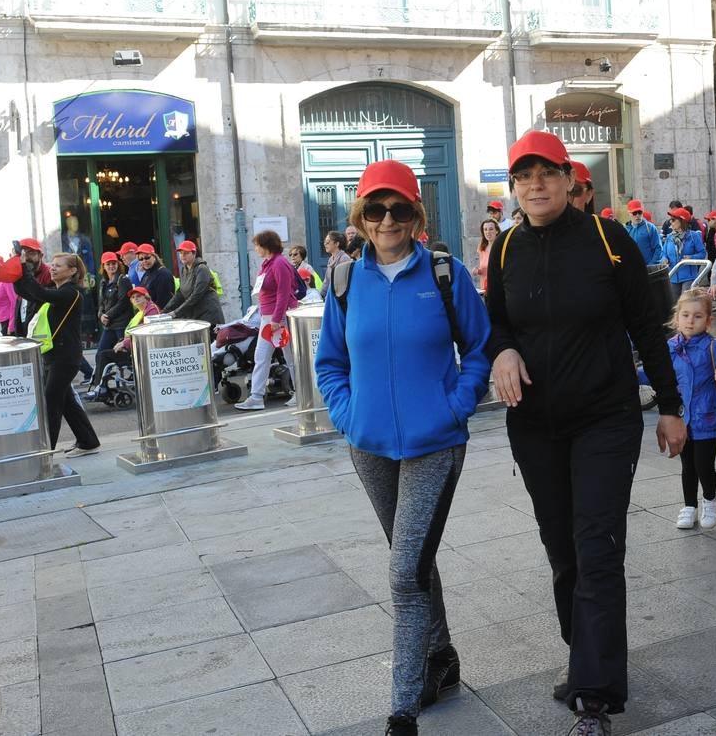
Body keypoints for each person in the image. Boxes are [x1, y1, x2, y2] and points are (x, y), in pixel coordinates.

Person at [486, 129, 684, 735]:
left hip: (605, 417)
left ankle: (594, 696)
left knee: (597, 547)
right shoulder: (505, 249)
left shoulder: (609, 238)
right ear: (514, 187)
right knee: (563, 550)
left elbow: (647, 327)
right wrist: (501, 353)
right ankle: (585, 658)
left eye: (547, 172)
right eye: (524, 176)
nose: (536, 184)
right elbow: (494, 324)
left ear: (570, 179)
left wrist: (672, 405)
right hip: (536, 427)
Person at [315, 160, 491, 736]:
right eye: (374, 209)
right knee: (413, 560)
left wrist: (454, 406)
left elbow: (481, 348)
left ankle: (402, 709)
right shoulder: (343, 280)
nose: (386, 219)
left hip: (433, 446)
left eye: (398, 209)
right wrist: (348, 415)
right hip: (368, 447)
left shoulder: (445, 273)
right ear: (360, 219)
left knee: (402, 574)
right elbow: (331, 363)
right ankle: (442, 659)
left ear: (416, 215)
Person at [13, 253, 101, 457]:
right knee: (66, 401)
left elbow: (39, 293)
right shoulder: (59, 291)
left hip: (65, 357)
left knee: (51, 401)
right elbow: (31, 294)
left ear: (72, 271)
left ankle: (45, 451)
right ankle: (88, 441)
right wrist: (16, 276)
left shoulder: (71, 293)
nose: (52, 268)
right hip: (55, 355)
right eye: (51, 265)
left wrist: (24, 268)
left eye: (57, 266)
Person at [655, 288, 716, 530]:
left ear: (708, 320)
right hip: (682, 418)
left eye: (697, 316)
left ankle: (709, 501)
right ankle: (689, 505)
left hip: (707, 416)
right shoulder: (670, 347)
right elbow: (658, 373)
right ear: (677, 317)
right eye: (685, 315)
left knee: (704, 464)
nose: (690, 321)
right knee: (687, 465)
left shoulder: (713, 346)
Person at [235, 230, 298, 411]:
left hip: (278, 317)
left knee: (289, 356)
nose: (255, 248)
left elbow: (283, 293)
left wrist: (277, 319)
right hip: (270, 317)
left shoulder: (278, 264)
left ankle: (298, 392)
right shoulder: (269, 264)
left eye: (257, 245)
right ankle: (257, 396)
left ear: (266, 245)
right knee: (265, 356)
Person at [86, 252, 132, 400]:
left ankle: (125, 381)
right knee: (100, 353)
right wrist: (101, 315)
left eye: (113, 263)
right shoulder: (103, 282)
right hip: (109, 326)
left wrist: (108, 315)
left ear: (118, 264)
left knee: (122, 356)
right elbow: (100, 304)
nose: (111, 266)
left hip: (121, 324)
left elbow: (123, 301)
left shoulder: (122, 280)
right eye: (108, 264)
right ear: (103, 266)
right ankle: (100, 386)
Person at [164, 240, 224, 329]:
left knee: (210, 340)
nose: (182, 256)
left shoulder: (202, 268)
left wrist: (176, 312)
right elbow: (181, 292)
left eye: (186, 253)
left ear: (194, 253)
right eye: (180, 253)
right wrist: (165, 310)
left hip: (208, 313)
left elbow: (197, 294)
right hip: (196, 313)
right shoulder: (183, 269)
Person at [662, 208, 707, 297]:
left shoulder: (694, 236)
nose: (671, 222)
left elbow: (702, 253)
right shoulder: (669, 237)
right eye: (670, 220)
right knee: (674, 306)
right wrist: (664, 259)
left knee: (685, 302)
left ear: (682, 221)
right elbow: (663, 253)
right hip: (673, 277)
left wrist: (691, 258)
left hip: (689, 278)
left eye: (673, 220)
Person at [134, 243, 175, 310]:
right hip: (149, 313)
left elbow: (164, 302)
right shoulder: (146, 274)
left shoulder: (162, 273)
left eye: (147, 257)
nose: (144, 261)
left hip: (160, 315)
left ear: (154, 256)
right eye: (141, 259)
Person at [625, 200, 664, 265]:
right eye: (634, 213)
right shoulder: (625, 229)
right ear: (629, 213)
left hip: (648, 270)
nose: (637, 215)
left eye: (640, 212)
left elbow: (658, 248)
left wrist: (651, 265)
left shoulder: (650, 228)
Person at [320, 231, 349, 299]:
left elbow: (342, 283)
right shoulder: (330, 259)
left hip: (340, 298)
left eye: (327, 242)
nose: (325, 244)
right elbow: (327, 281)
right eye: (324, 242)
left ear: (337, 244)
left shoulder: (344, 259)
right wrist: (320, 295)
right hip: (331, 297)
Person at [474, 220, 499, 292]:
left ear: (496, 231)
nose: (488, 232)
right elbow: (482, 268)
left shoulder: (501, 247)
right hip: (485, 287)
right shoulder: (481, 247)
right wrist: (477, 271)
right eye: (485, 229)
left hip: (498, 287)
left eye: (491, 229)